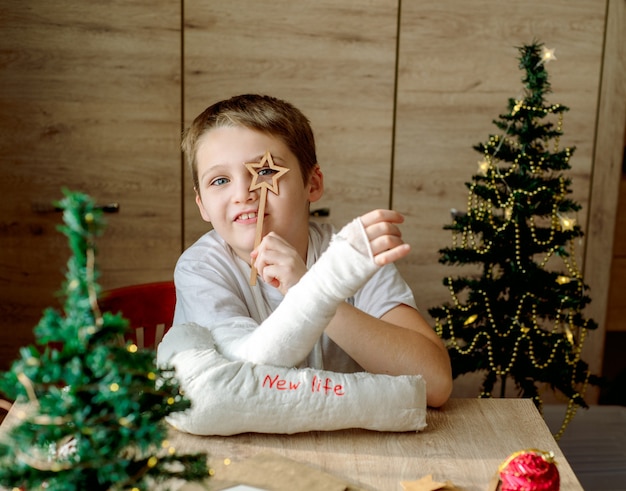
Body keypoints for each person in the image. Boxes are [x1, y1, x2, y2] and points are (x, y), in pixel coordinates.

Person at [167, 94, 452, 408]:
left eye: (264, 172)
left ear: (312, 184)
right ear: (202, 205)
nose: (244, 193)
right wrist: (316, 293)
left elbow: (435, 384)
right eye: (220, 180)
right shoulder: (200, 269)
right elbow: (243, 383)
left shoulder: (352, 257)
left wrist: (309, 287)